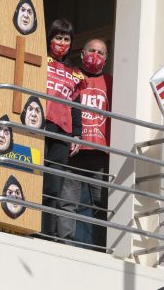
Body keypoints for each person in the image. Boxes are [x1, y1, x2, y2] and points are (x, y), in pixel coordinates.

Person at [42, 19, 86, 243]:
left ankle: (47, 234)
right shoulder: (39, 62)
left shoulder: (75, 73)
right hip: (39, 127)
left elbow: (76, 107)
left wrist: (77, 134)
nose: (61, 42)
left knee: (54, 185)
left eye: (66, 39)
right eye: (58, 37)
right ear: (49, 38)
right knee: (35, 178)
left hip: (63, 131)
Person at [68, 39, 112, 248]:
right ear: (82, 54)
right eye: (92, 51)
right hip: (74, 151)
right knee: (67, 202)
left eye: (101, 52)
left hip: (100, 154)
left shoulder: (111, 83)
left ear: (106, 58)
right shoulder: (71, 77)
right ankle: (64, 242)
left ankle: (100, 247)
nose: (96, 55)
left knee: (102, 205)